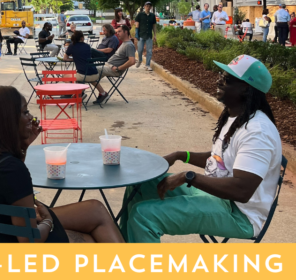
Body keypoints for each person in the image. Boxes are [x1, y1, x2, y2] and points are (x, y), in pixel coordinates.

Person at [120, 55, 281, 243]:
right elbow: (219, 160)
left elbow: (242, 190)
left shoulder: (257, 132)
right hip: (215, 196)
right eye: (222, 74)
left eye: (227, 79)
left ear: (246, 89)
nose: (219, 80)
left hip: (239, 214)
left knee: (143, 216)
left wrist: (189, 176)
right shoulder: (237, 118)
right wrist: (181, 155)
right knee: (139, 184)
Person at [0, 85, 125, 243]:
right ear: (7, 120)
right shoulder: (12, 170)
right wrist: (48, 221)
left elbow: (8, 189)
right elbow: (29, 240)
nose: (31, 117)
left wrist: (23, 146)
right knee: (91, 239)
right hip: (13, 248)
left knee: (95, 209)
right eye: (25, 112)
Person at [90, 25, 135, 104]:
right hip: (108, 65)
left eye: (119, 31)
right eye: (117, 32)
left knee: (88, 71)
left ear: (126, 32)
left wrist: (118, 68)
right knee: (87, 71)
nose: (117, 33)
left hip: (114, 69)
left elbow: (132, 61)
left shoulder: (129, 45)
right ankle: (100, 93)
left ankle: (80, 93)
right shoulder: (124, 43)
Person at [135, 1, 157, 71]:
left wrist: (155, 35)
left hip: (149, 36)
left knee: (149, 51)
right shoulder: (140, 15)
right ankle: (140, 60)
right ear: (144, 7)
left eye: (149, 6)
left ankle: (147, 65)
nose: (148, 7)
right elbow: (137, 26)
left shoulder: (152, 16)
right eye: (147, 6)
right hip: (141, 35)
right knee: (140, 49)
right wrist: (136, 35)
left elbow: (154, 26)